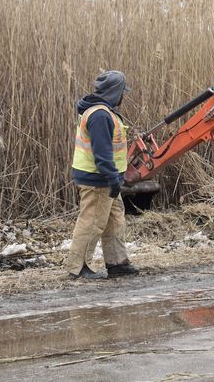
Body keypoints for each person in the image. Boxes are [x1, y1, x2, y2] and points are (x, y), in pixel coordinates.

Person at [65, 70, 139, 279]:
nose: (124, 96)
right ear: (115, 92)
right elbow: (102, 153)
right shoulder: (99, 115)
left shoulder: (103, 112)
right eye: (123, 92)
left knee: (114, 218)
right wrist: (112, 178)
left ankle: (117, 263)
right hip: (98, 180)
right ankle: (78, 268)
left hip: (104, 178)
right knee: (92, 221)